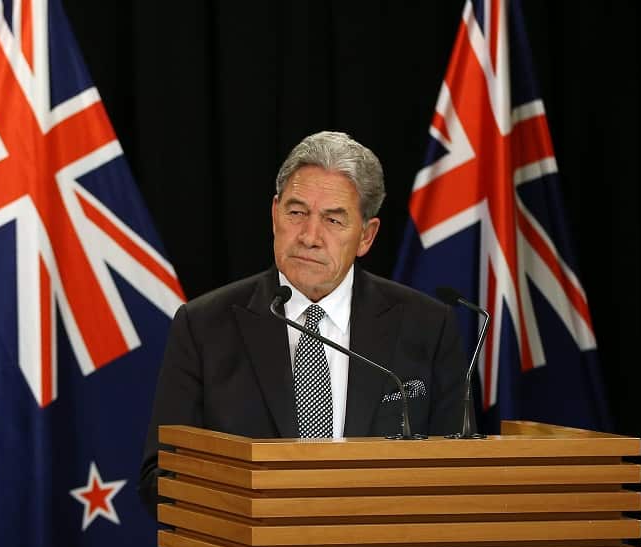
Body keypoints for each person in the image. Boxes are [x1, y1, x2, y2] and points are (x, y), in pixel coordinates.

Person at [139, 131, 464, 509]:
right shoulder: (204, 326)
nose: (310, 236)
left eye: (333, 220)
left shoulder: (427, 327)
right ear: (275, 214)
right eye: (297, 213)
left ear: (366, 236)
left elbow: (456, 474)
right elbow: (160, 477)